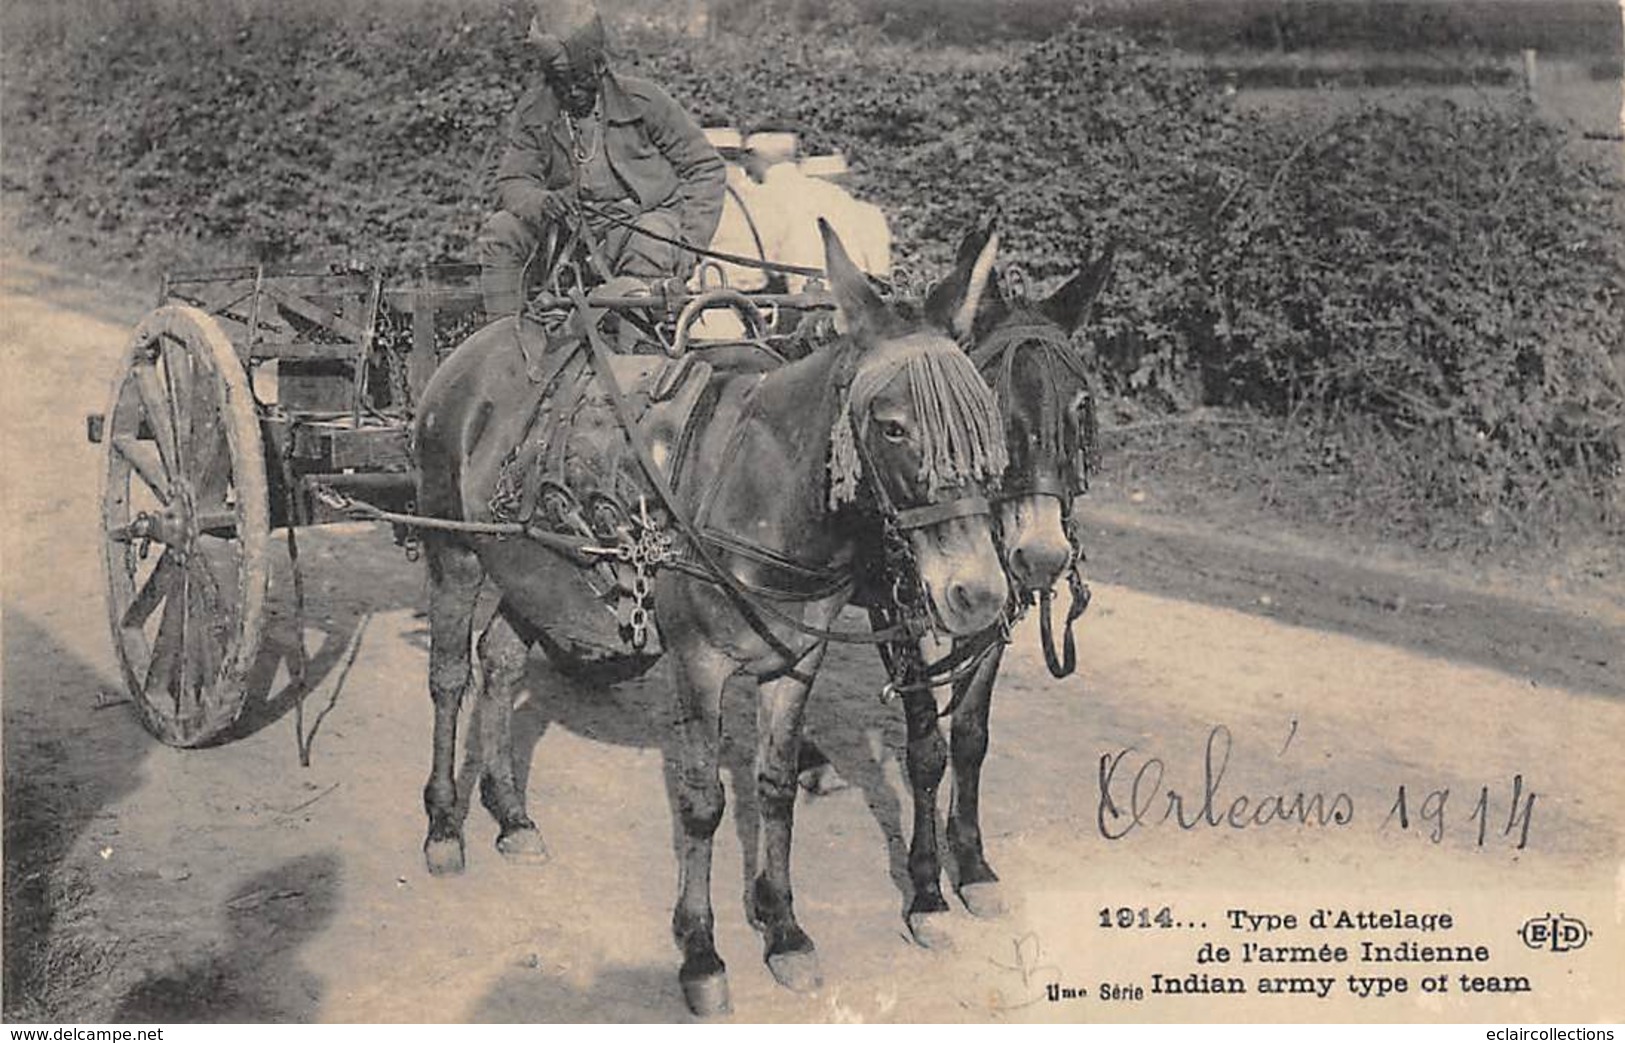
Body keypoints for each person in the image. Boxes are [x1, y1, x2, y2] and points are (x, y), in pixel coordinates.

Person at [478, 0, 727, 315]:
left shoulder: (645, 102)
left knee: (653, 237)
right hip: (567, 237)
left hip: (636, 231)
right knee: (502, 229)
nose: (570, 90)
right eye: (558, 80)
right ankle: (503, 346)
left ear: (598, 65)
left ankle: (636, 353)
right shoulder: (535, 113)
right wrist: (541, 202)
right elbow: (513, 181)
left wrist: (688, 244)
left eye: (577, 77)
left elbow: (705, 168)